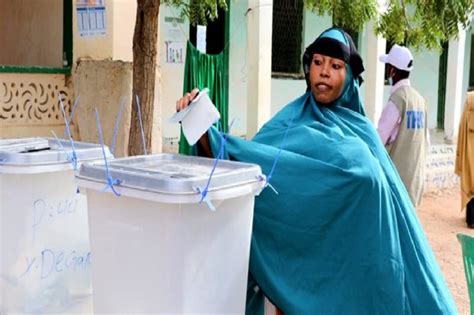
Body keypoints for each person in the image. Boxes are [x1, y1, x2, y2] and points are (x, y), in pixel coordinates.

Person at [176, 28, 456, 314]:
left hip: (358, 282)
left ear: (349, 78)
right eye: (318, 62)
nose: (324, 72)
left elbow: (387, 217)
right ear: (308, 67)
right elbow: (248, 170)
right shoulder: (286, 124)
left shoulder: (363, 136)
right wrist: (205, 131)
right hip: (295, 278)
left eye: (335, 66)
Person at [377, 44, 429, 207]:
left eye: (388, 67)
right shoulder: (420, 100)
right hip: (414, 181)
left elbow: (379, 140)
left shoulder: (397, 100)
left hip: (396, 182)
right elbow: (426, 142)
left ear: (392, 70)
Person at [456, 89, 474, 228]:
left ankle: (471, 219)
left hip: (470, 146)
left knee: (470, 180)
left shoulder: (470, 98)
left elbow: (463, 125)